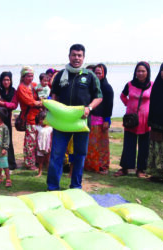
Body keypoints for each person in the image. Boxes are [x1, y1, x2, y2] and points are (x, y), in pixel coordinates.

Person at [47, 44, 103, 190]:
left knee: (79, 155)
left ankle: (76, 186)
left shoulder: (90, 76)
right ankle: (53, 187)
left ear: (83, 58)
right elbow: (54, 95)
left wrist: (89, 108)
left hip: (81, 122)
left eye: (79, 55)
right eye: (74, 55)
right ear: (69, 56)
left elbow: (99, 97)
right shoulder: (60, 75)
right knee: (57, 154)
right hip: (62, 122)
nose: (76, 58)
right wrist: (54, 109)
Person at [115, 61, 153, 178]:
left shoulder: (152, 85)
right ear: (135, 72)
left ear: (147, 72)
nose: (140, 73)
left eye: (143, 71)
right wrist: (128, 105)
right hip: (131, 120)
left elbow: (156, 99)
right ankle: (125, 168)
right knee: (128, 144)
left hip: (146, 120)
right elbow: (122, 95)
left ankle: (141, 169)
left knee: (144, 145)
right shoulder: (130, 84)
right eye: (138, 71)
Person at [84, 63, 114, 174]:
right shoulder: (92, 86)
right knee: (91, 145)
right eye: (95, 72)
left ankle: (102, 166)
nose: (97, 75)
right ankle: (91, 165)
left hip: (101, 121)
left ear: (104, 74)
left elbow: (109, 105)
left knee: (101, 145)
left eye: (99, 73)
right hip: (90, 119)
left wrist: (107, 120)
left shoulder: (106, 87)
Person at [16, 66, 43, 170]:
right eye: (28, 76)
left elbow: (45, 87)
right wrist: (42, 103)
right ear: (23, 77)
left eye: (32, 76)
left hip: (38, 117)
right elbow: (30, 102)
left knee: (37, 140)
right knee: (30, 141)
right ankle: (29, 163)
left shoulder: (34, 85)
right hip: (29, 118)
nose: (31, 78)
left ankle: (37, 160)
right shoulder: (21, 88)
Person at [0, 71, 18, 170]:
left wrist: (3, 103)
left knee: (8, 141)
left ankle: (11, 164)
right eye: (4, 80)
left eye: (8, 80)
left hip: (8, 119)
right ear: (1, 80)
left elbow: (14, 105)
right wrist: (5, 103)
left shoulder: (14, 91)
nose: (6, 82)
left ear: (11, 80)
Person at [35, 111, 52, 177]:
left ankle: (49, 172)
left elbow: (51, 138)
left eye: (44, 119)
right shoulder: (38, 128)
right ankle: (40, 172)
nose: (42, 121)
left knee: (47, 160)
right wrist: (37, 146)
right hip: (40, 146)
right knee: (40, 161)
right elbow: (36, 137)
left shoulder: (50, 128)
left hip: (47, 146)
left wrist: (50, 146)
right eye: (41, 119)